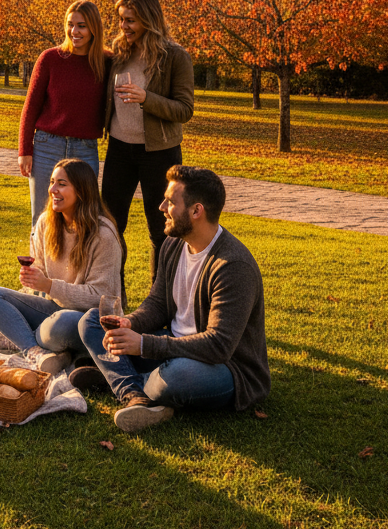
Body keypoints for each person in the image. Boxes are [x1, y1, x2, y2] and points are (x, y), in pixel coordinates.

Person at [75, 165, 270, 434]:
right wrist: (130, 323)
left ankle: (120, 378)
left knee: (177, 376)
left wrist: (144, 345)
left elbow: (219, 346)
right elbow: (158, 304)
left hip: (225, 369)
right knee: (91, 321)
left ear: (196, 211)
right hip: (174, 346)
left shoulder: (232, 266)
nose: (161, 207)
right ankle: (135, 392)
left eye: (170, 202)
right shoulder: (174, 244)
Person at [0, 158, 122, 375]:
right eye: (52, 182)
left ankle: (19, 337)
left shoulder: (103, 234)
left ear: (82, 191)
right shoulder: (46, 222)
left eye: (62, 184)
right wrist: (33, 279)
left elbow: (101, 297)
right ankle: (36, 350)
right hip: (52, 309)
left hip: (86, 320)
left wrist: (48, 286)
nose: (52, 190)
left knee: (59, 325)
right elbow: (40, 271)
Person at [101, 0, 194, 283]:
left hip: (159, 153)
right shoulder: (119, 53)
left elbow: (185, 109)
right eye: (121, 19)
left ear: (149, 20)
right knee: (109, 227)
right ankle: (112, 294)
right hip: (119, 150)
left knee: (161, 229)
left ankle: (160, 299)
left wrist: (146, 98)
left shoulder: (175, 56)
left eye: (130, 20)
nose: (123, 26)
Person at [19, 0, 111, 228]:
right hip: (46, 147)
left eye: (81, 25)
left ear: (94, 28)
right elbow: (30, 107)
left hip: (85, 151)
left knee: (82, 219)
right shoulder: (50, 59)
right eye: (70, 24)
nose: (74, 31)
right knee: (42, 219)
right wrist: (24, 150)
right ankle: (39, 254)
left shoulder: (107, 62)